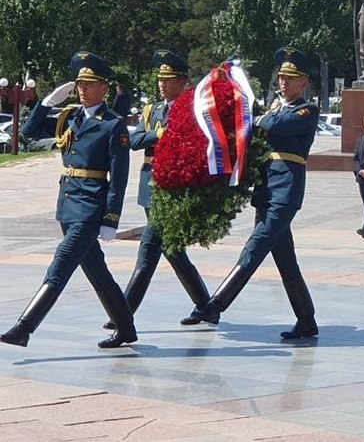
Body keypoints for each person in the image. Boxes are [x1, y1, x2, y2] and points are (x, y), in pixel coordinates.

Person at [1, 51, 136, 348]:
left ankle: (24, 327)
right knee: (97, 271)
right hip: (68, 205)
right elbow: (27, 133)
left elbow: (120, 177)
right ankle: (126, 328)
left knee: (61, 265)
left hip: (90, 207)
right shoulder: (70, 116)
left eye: (89, 84)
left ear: (105, 88)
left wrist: (111, 218)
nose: (82, 90)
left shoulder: (113, 125)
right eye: (79, 84)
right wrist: (46, 103)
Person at [189, 46, 321, 339]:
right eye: (282, 78)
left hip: (286, 192)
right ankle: (307, 319)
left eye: (291, 78)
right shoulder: (275, 110)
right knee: (286, 262)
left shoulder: (307, 111)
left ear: (304, 83)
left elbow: (275, 125)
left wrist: (262, 120)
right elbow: (260, 126)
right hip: (267, 191)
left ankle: (216, 304)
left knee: (256, 246)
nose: (283, 83)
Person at [102, 50, 211, 331]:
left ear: (183, 82)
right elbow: (135, 140)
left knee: (148, 248)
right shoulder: (152, 111)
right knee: (173, 251)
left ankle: (123, 313)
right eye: (160, 79)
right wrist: (158, 135)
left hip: (172, 187)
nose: (162, 84)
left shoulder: (190, 111)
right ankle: (206, 305)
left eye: (169, 79)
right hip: (150, 185)